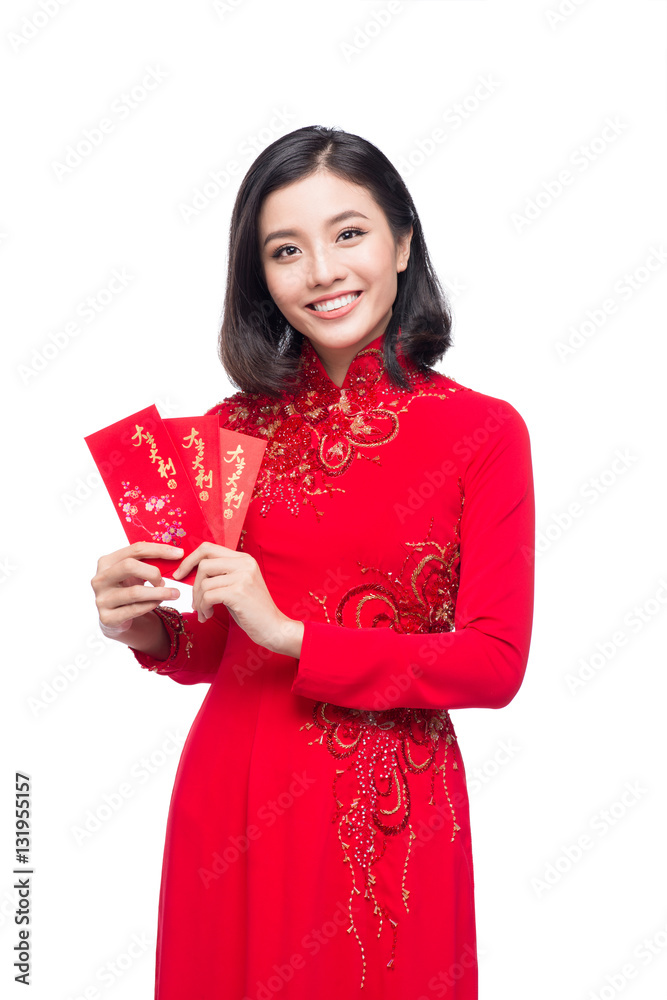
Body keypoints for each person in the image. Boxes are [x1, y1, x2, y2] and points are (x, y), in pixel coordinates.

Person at [90, 125, 535, 1000]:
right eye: (285, 250)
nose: (322, 271)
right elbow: (223, 647)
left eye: (349, 233)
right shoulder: (230, 434)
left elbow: (494, 661)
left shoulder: (482, 433)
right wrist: (150, 629)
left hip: (387, 803)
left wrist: (293, 632)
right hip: (235, 792)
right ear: (258, 275)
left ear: (402, 241)